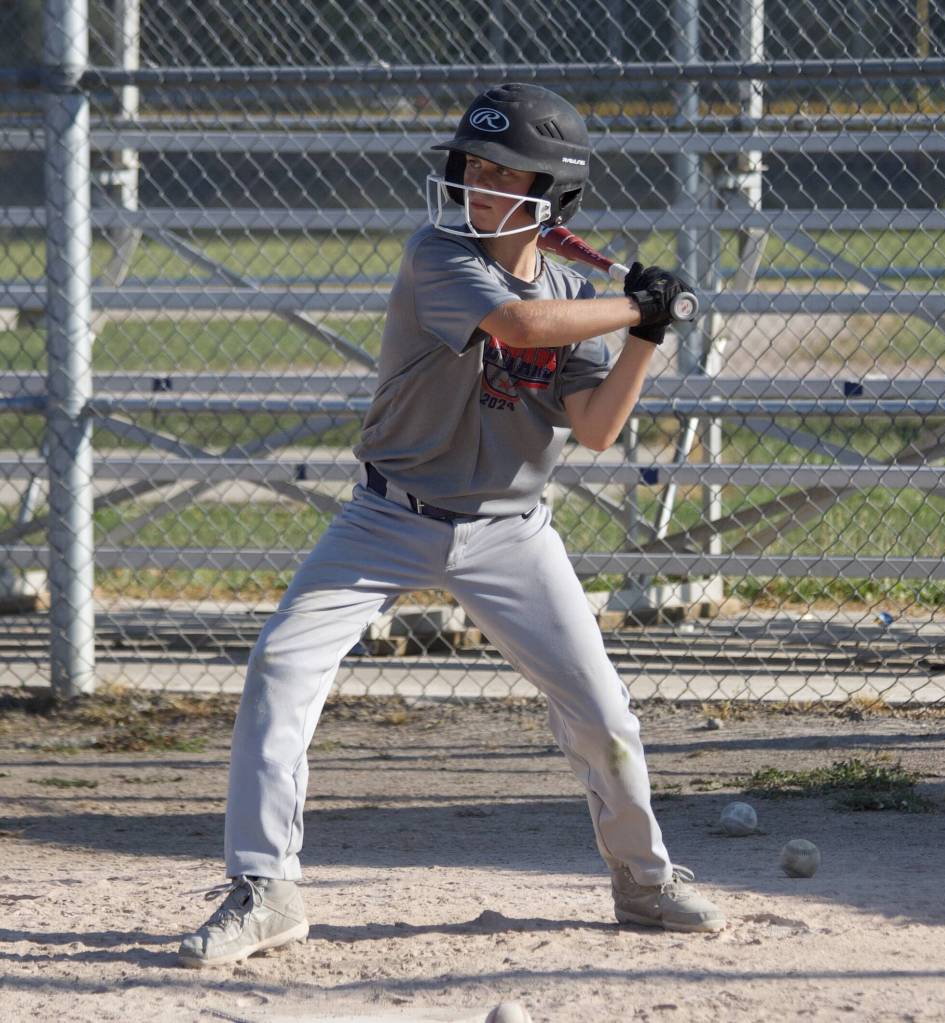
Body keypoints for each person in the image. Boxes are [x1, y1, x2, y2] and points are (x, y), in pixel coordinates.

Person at [178, 82, 725, 969]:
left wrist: (645, 338)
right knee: (282, 663)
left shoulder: (580, 301)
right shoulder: (440, 255)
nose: (475, 182)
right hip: (387, 514)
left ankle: (642, 877)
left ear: (549, 193)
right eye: (470, 164)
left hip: (512, 528)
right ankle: (265, 887)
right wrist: (636, 304)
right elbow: (519, 322)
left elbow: (595, 428)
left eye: (501, 170)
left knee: (602, 713)